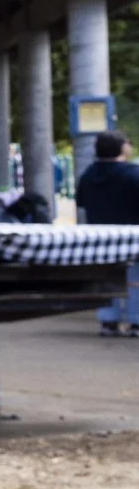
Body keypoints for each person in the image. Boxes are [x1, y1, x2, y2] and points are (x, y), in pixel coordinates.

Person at [77, 130, 139, 336]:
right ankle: (135, 322)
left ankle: (108, 321)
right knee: (135, 280)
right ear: (122, 148)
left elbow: (82, 203)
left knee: (106, 278)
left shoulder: (88, 174)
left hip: (100, 236)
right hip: (132, 235)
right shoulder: (133, 173)